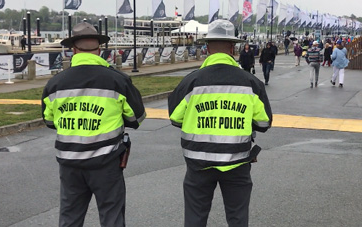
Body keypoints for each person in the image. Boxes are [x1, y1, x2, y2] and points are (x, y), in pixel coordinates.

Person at [168, 19, 272, 227]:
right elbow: (263, 122)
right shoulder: (250, 82)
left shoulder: (191, 81)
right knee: (237, 217)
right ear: (233, 48)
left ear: (207, 48)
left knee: (195, 218)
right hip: (237, 161)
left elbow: (175, 118)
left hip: (198, 162)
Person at [41, 22, 146, 227]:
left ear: (73, 50)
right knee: (111, 216)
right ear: (99, 50)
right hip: (106, 162)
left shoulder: (55, 83)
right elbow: (137, 117)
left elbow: (49, 121)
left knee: (70, 217)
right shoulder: (117, 80)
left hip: (69, 162)